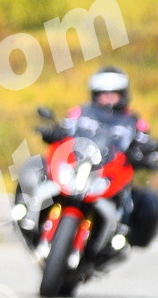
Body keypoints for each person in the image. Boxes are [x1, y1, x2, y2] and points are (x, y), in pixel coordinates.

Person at [22, 67, 158, 244]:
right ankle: (26, 210)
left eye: (113, 94)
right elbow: (65, 128)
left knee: (139, 201)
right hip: (78, 167)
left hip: (108, 174)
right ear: (95, 94)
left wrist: (147, 154)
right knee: (35, 166)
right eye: (103, 94)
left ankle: (119, 233)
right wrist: (52, 130)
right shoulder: (81, 112)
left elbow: (145, 142)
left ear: (123, 94)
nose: (108, 98)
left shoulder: (134, 122)